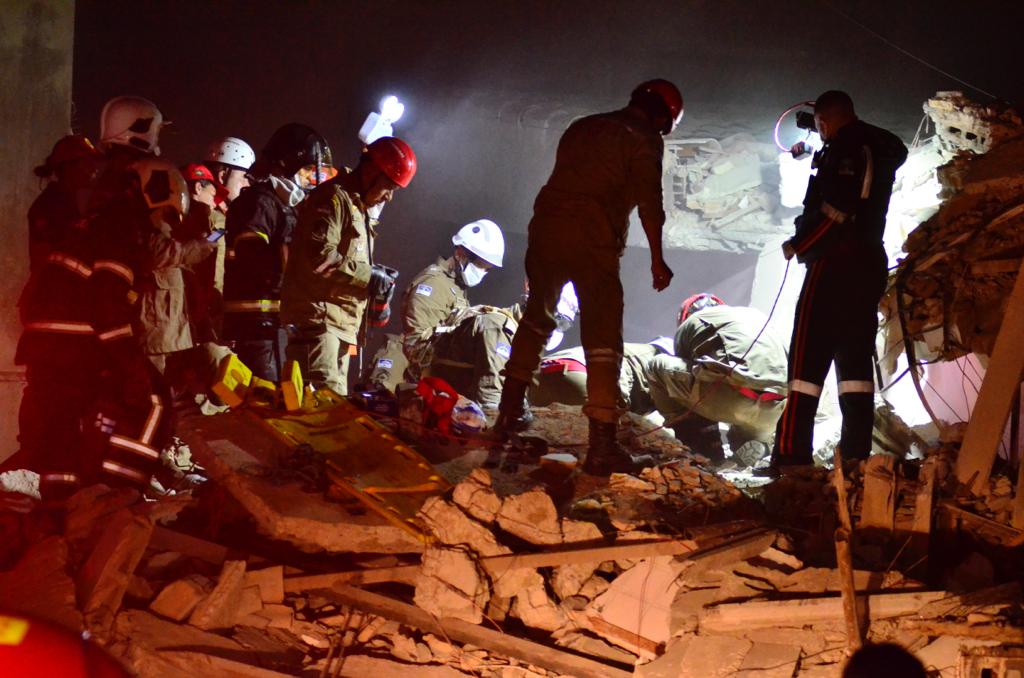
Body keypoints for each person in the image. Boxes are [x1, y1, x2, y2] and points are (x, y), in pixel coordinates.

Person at [495, 79, 683, 474]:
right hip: (592, 237)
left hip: (545, 228)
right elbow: (651, 203)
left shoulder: (583, 125)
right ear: (663, 117)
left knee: (536, 319)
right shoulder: (643, 138)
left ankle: (506, 418)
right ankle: (601, 447)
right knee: (602, 338)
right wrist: (657, 259)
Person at [771, 91, 907, 472]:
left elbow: (837, 212)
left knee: (806, 362)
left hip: (833, 265)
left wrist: (799, 245)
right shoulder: (875, 148)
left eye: (819, 125)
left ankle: (790, 455)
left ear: (825, 122)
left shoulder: (844, 150)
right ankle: (856, 458)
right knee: (855, 366)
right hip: (867, 267)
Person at [281, 136, 417, 394]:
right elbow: (319, 256)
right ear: (371, 170)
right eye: (389, 186)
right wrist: (370, 276)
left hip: (339, 326)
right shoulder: (333, 198)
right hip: (319, 323)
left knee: (334, 413)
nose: (389, 197)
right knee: (320, 412)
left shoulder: (358, 208)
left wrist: (376, 291)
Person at [222, 123, 331, 382]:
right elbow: (253, 261)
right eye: (306, 170)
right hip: (254, 329)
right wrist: (300, 259)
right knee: (260, 407)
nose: (310, 180)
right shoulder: (259, 203)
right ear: (286, 163)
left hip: (276, 327)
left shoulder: (286, 208)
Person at [646, 294, 789, 466]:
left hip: (732, 399)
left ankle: (703, 450)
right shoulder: (754, 316)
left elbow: (683, 383)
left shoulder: (693, 321)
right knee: (744, 410)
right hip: (776, 409)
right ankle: (757, 445)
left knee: (656, 366)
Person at [365, 219, 505, 393]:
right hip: (415, 375)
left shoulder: (455, 287)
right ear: (461, 252)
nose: (482, 272)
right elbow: (416, 343)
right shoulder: (434, 283)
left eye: (487, 268)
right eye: (480, 265)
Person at [26, 135, 101, 271]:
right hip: (48, 288)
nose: (94, 169)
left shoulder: (72, 203)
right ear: (69, 167)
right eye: (88, 163)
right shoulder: (48, 205)